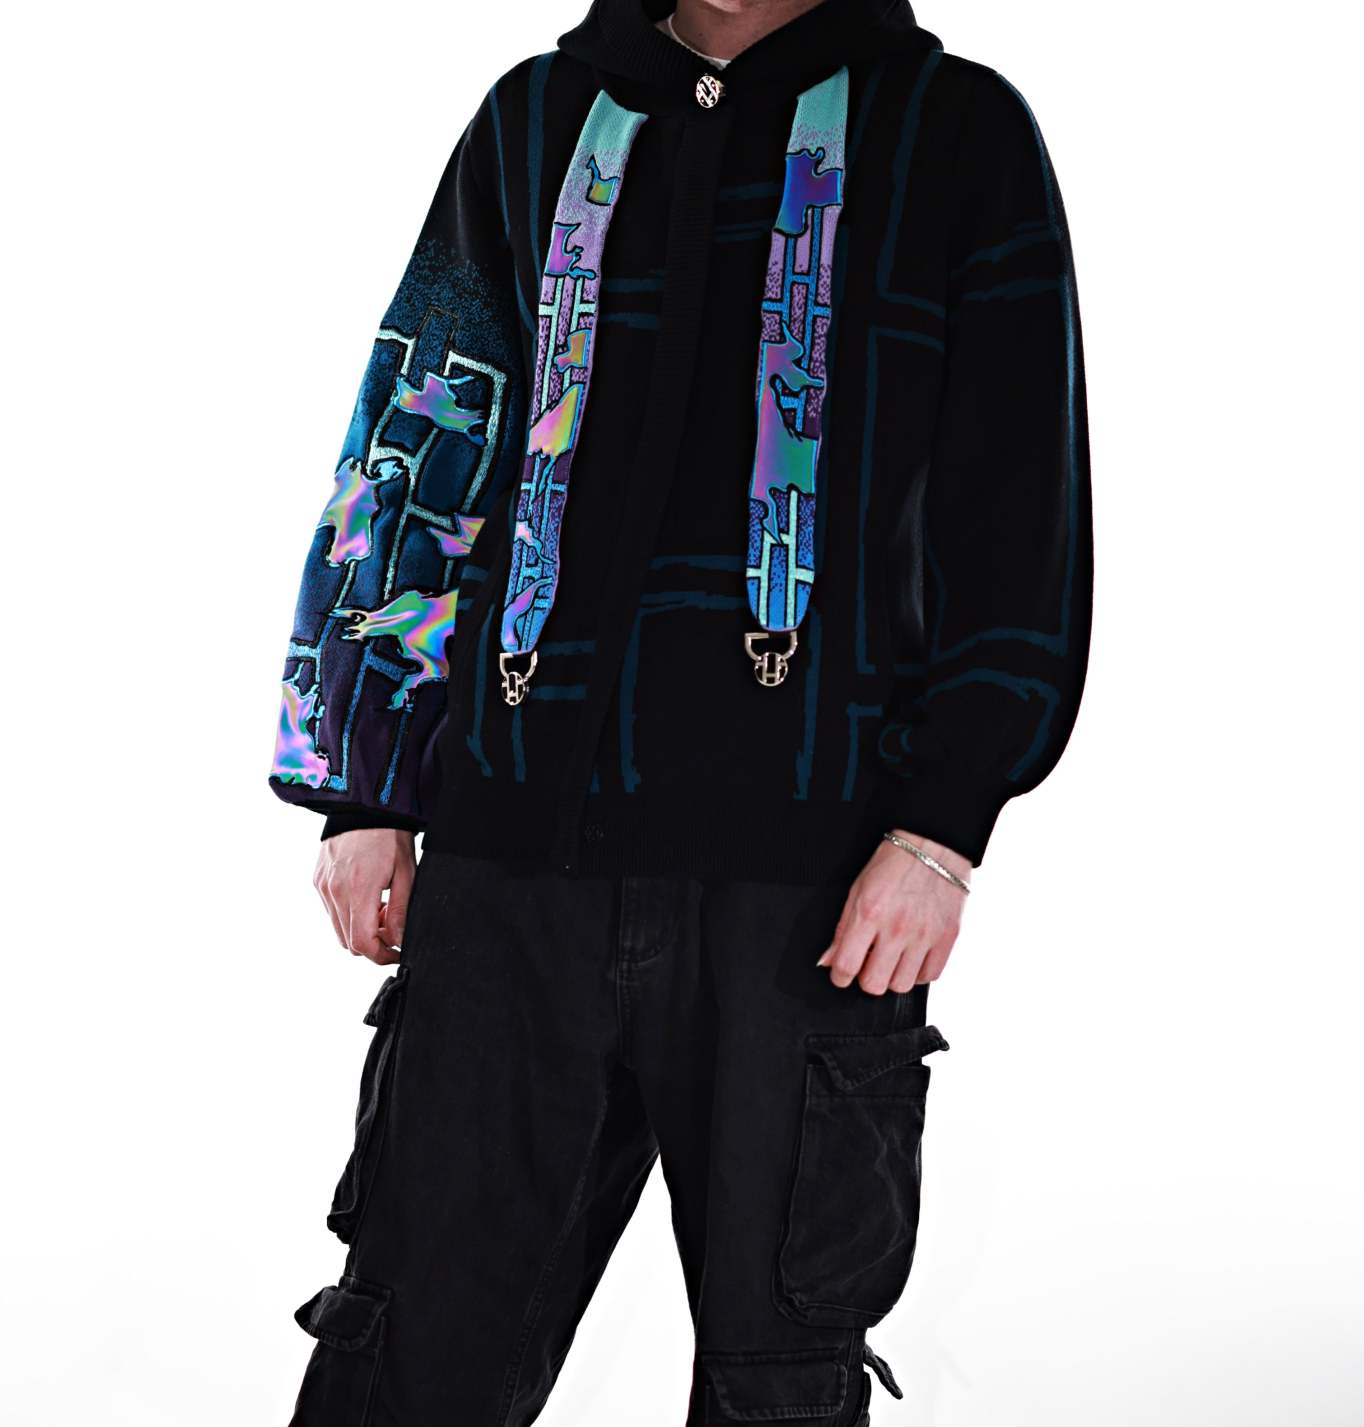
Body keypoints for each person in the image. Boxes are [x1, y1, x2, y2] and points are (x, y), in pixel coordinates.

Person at [267, 0, 1091, 1421]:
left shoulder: (955, 129)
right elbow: (425, 422)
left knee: (782, 1375)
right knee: (405, 1352)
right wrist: (365, 778)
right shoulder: (538, 117)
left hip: (812, 888)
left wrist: (943, 827)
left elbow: (1017, 511)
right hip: (510, 858)